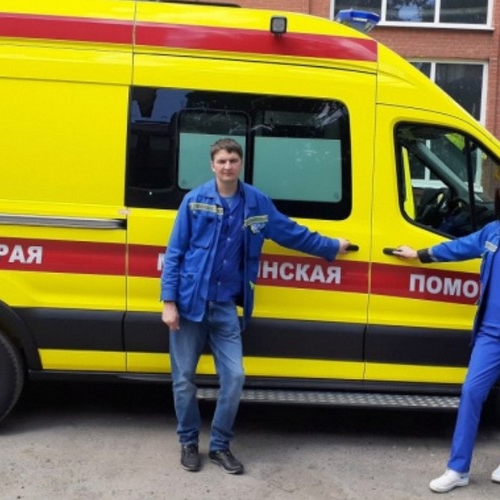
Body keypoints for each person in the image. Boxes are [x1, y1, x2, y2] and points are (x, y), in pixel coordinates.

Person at [160, 138, 350, 474]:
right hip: (190, 305)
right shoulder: (195, 201)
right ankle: (188, 442)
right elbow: (174, 253)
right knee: (184, 378)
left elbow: (292, 232)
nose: (227, 166)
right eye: (221, 161)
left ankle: (219, 446)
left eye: (233, 160)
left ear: (241, 163)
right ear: (212, 165)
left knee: (234, 376)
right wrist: (169, 303)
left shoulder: (256, 203)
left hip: (225, 308)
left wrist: (331, 246)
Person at [393, 213, 500, 493]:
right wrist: (420, 254)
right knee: (471, 392)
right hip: (490, 334)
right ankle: (458, 469)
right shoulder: (493, 231)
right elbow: (460, 247)